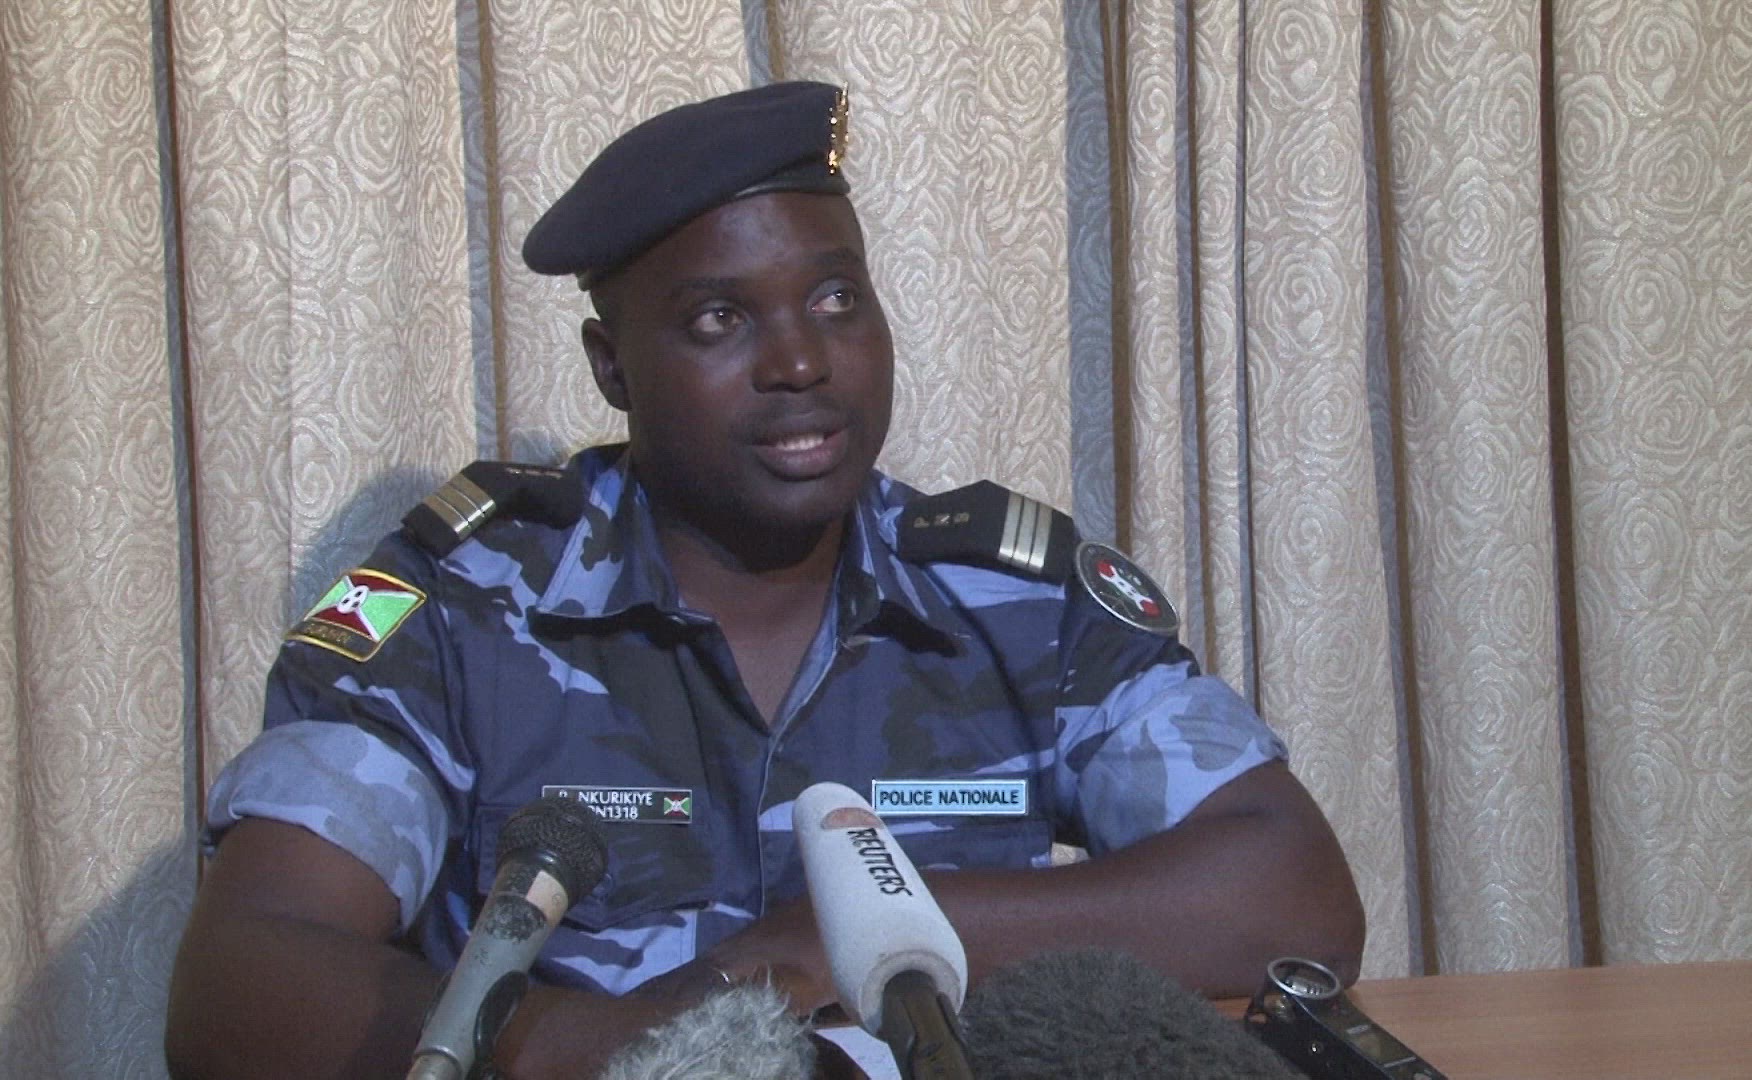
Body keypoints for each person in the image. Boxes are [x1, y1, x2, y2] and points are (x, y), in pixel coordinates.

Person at [164, 80, 1364, 1080]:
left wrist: (837, 939)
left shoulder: (1014, 602)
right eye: (718, 320)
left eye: (837, 299)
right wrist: (632, 1048)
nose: (799, 361)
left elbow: (1289, 892)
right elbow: (242, 979)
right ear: (612, 367)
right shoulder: (466, 603)